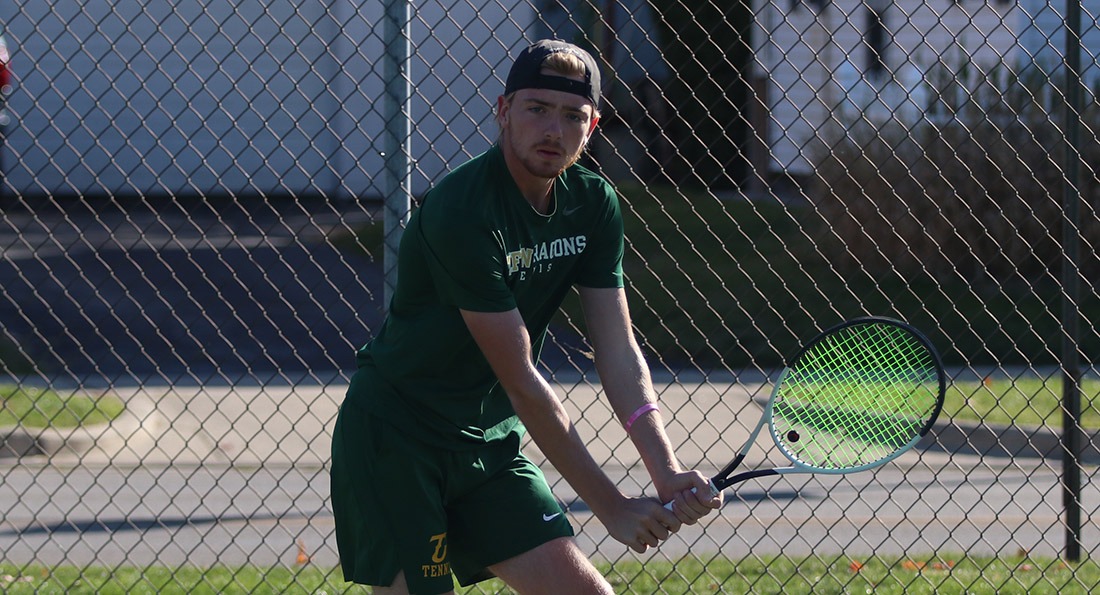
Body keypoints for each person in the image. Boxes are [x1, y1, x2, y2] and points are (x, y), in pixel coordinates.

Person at [330, 38, 723, 595]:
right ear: (504, 110)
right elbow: (523, 384)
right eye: (537, 109)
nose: (553, 131)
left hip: (488, 445)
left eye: (572, 116)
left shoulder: (594, 204)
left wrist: (664, 468)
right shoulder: (463, 212)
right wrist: (611, 506)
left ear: (592, 128)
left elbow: (617, 349)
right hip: (398, 439)